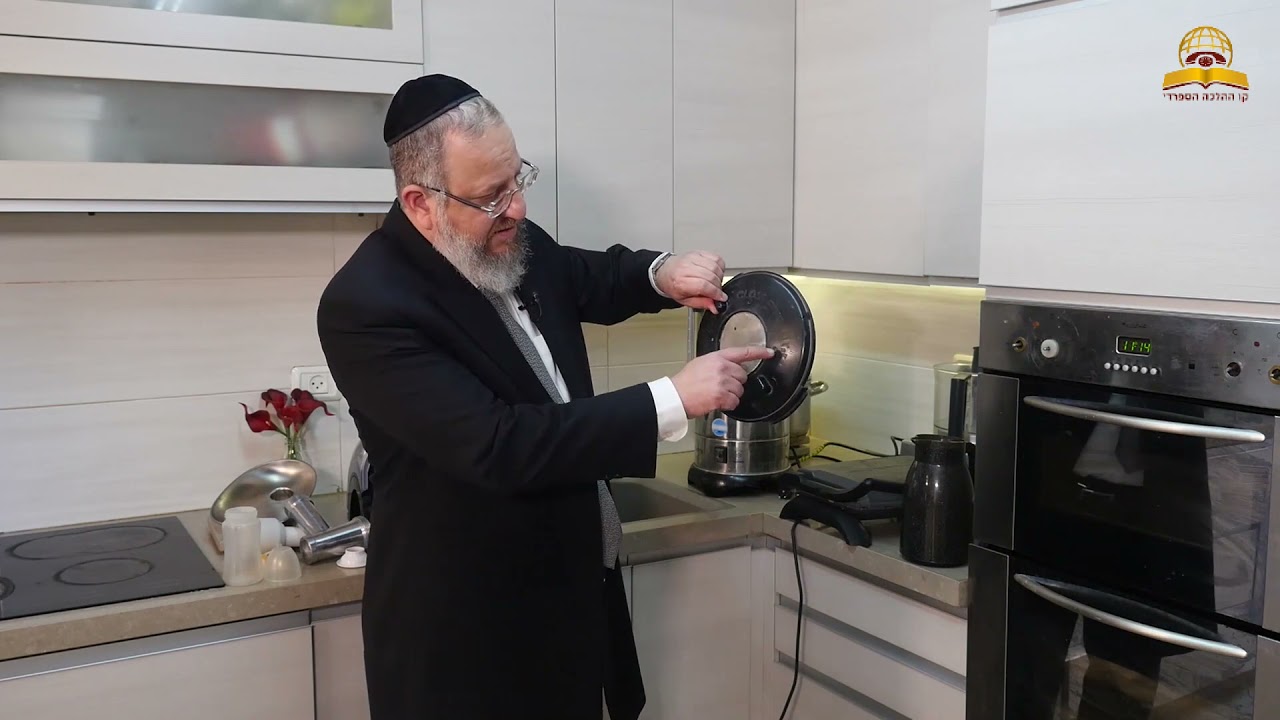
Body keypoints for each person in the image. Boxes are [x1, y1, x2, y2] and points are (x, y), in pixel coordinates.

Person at [316, 74, 774, 720]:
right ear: (420, 203)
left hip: (567, 611)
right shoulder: (366, 305)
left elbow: (588, 276)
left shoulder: (499, 239)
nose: (518, 209)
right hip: (466, 645)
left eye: (517, 181)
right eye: (491, 196)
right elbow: (499, 445)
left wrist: (661, 274)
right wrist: (671, 398)